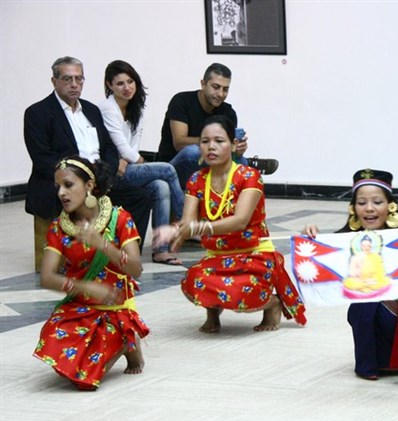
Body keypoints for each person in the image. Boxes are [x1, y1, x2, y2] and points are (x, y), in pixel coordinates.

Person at [152, 116, 305, 333]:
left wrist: (197, 228)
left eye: (219, 141)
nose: (211, 147)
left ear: (233, 145)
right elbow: (188, 221)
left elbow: (240, 221)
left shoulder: (249, 176)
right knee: (194, 280)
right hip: (217, 256)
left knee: (238, 292)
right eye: (205, 141)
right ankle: (212, 313)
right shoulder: (197, 180)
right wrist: (177, 230)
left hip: (253, 255)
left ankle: (272, 303)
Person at [301, 169, 398, 380]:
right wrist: (310, 237)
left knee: (369, 302)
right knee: (362, 305)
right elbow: (320, 261)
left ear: (390, 206)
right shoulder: (350, 238)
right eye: (362, 203)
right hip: (374, 309)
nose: (369, 209)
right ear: (353, 208)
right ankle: (377, 361)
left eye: (377, 202)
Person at [24, 56, 151, 271]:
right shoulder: (38, 113)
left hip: (98, 181)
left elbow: (109, 148)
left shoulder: (91, 111)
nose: (74, 85)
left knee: (141, 197)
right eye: (67, 79)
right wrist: (80, 177)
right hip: (66, 183)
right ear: (54, 81)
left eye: (79, 79)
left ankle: (120, 255)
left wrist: (105, 174)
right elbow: (42, 158)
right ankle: (79, 257)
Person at [34, 156, 149, 390]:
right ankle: (118, 345)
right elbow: (47, 277)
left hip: (114, 310)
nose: (61, 193)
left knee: (85, 380)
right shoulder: (59, 227)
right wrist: (85, 287)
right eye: (58, 187)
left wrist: (103, 245)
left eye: (68, 185)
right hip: (79, 308)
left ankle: (129, 343)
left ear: (89, 186)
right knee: (52, 337)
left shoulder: (119, 219)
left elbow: (136, 269)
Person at [99, 60, 185, 265]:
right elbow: (122, 147)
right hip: (115, 171)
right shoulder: (107, 108)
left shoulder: (136, 107)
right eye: (120, 83)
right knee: (168, 170)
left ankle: (160, 249)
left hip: (129, 166)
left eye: (130, 81)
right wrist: (138, 161)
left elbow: (133, 145)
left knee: (161, 186)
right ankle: (186, 223)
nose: (127, 87)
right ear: (109, 85)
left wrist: (134, 161)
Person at [157, 63, 248, 188]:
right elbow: (179, 143)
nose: (221, 94)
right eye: (216, 87)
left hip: (210, 161)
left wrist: (237, 150)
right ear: (203, 84)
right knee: (193, 152)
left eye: (225, 89)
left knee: (243, 162)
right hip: (174, 165)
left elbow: (226, 150)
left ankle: (231, 206)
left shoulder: (228, 112)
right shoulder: (181, 101)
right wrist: (214, 142)